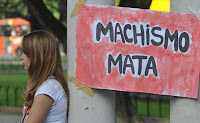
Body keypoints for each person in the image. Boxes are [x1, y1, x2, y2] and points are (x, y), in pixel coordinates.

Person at [20, 30, 69, 123]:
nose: (21, 57)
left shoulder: (49, 88)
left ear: (37, 56)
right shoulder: (44, 84)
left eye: (25, 53)